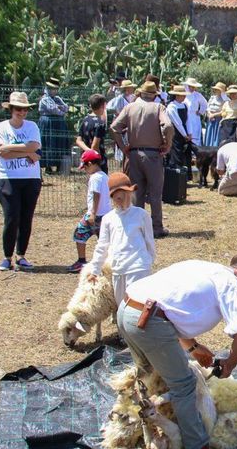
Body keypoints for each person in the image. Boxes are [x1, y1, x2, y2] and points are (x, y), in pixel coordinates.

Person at [117, 255, 237, 449]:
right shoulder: (233, 285)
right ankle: (197, 444)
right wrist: (229, 363)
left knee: (149, 375)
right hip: (148, 321)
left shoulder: (203, 267)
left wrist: (193, 347)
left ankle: (146, 429)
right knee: (184, 385)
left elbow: (168, 308)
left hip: (128, 309)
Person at [110, 81, 172, 238]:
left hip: (134, 155)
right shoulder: (158, 108)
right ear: (154, 95)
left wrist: (123, 147)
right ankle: (156, 228)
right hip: (153, 155)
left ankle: (137, 227)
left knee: (137, 192)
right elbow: (168, 126)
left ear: (140, 93)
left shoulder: (130, 107)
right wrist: (167, 144)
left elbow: (114, 127)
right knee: (156, 193)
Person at [88, 173, 156, 305]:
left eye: (123, 196)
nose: (120, 200)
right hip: (119, 269)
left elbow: (149, 241)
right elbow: (102, 245)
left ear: (130, 194)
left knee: (138, 306)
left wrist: (148, 261)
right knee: (122, 308)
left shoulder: (141, 215)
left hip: (138, 268)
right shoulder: (108, 218)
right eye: (116, 197)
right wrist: (95, 270)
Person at [0, 92, 42, 271]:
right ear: (11, 109)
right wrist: (27, 152)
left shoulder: (32, 126)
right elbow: (2, 153)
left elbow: (34, 147)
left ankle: (21, 255)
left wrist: (10, 148)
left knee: (26, 218)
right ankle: (7, 257)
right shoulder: (1, 127)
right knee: (11, 217)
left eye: (24, 109)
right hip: (8, 179)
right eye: (17, 109)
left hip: (31, 179)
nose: (21, 112)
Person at [67, 151, 111, 272]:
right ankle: (106, 263)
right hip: (106, 214)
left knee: (79, 233)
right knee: (104, 240)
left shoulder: (95, 178)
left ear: (90, 163)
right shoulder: (104, 176)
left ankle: (81, 261)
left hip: (96, 215)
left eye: (85, 166)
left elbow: (97, 195)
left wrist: (92, 213)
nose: (85, 169)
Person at [38, 77, 70, 172]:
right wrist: (62, 111)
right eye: (52, 89)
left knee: (59, 143)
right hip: (48, 123)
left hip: (59, 123)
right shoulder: (45, 99)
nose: (54, 91)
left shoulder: (57, 98)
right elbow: (53, 109)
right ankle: (48, 166)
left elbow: (66, 107)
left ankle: (59, 165)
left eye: (56, 89)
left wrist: (61, 108)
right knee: (48, 142)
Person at [75, 94, 109, 173]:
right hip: (97, 160)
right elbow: (95, 145)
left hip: (87, 160)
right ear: (102, 106)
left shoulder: (86, 119)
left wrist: (88, 151)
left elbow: (78, 140)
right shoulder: (101, 123)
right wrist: (93, 153)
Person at [166, 85, 194, 179]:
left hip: (184, 133)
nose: (184, 97)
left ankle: (185, 176)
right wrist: (184, 134)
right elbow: (177, 123)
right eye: (182, 95)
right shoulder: (171, 107)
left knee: (186, 154)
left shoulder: (184, 105)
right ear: (177, 96)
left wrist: (189, 133)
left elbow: (188, 120)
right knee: (176, 153)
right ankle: (176, 176)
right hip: (176, 133)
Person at [182, 78, 208, 147]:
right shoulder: (183, 94)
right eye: (190, 86)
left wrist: (200, 112)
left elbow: (204, 104)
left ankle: (195, 151)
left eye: (193, 87)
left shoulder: (197, 95)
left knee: (195, 133)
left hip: (194, 117)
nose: (192, 88)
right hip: (185, 116)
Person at [204, 82, 228, 147]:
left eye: (219, 89)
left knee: (216, 134)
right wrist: (209, 114)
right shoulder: (212, 97)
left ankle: (214, 148)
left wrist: (214, 115)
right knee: (209, 133)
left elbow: (224, 111)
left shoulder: (225, 100)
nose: (217, 91)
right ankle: (208, 147)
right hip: (210, 118)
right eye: (216, 89)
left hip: (218, 119)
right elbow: (207, 107)